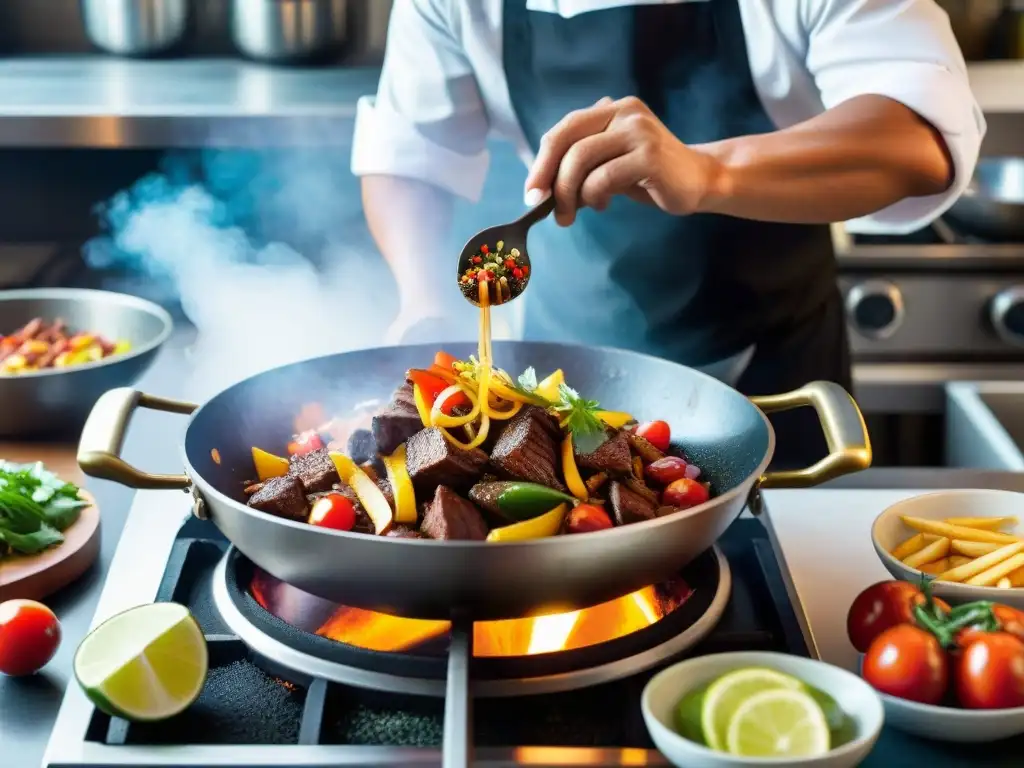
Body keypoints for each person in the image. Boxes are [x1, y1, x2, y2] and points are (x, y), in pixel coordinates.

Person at [351, 0, 984, 468]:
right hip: (557, 375)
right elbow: (413, 155)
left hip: (776, 368)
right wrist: (423, 300)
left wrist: (708, 171)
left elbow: (918, 135)